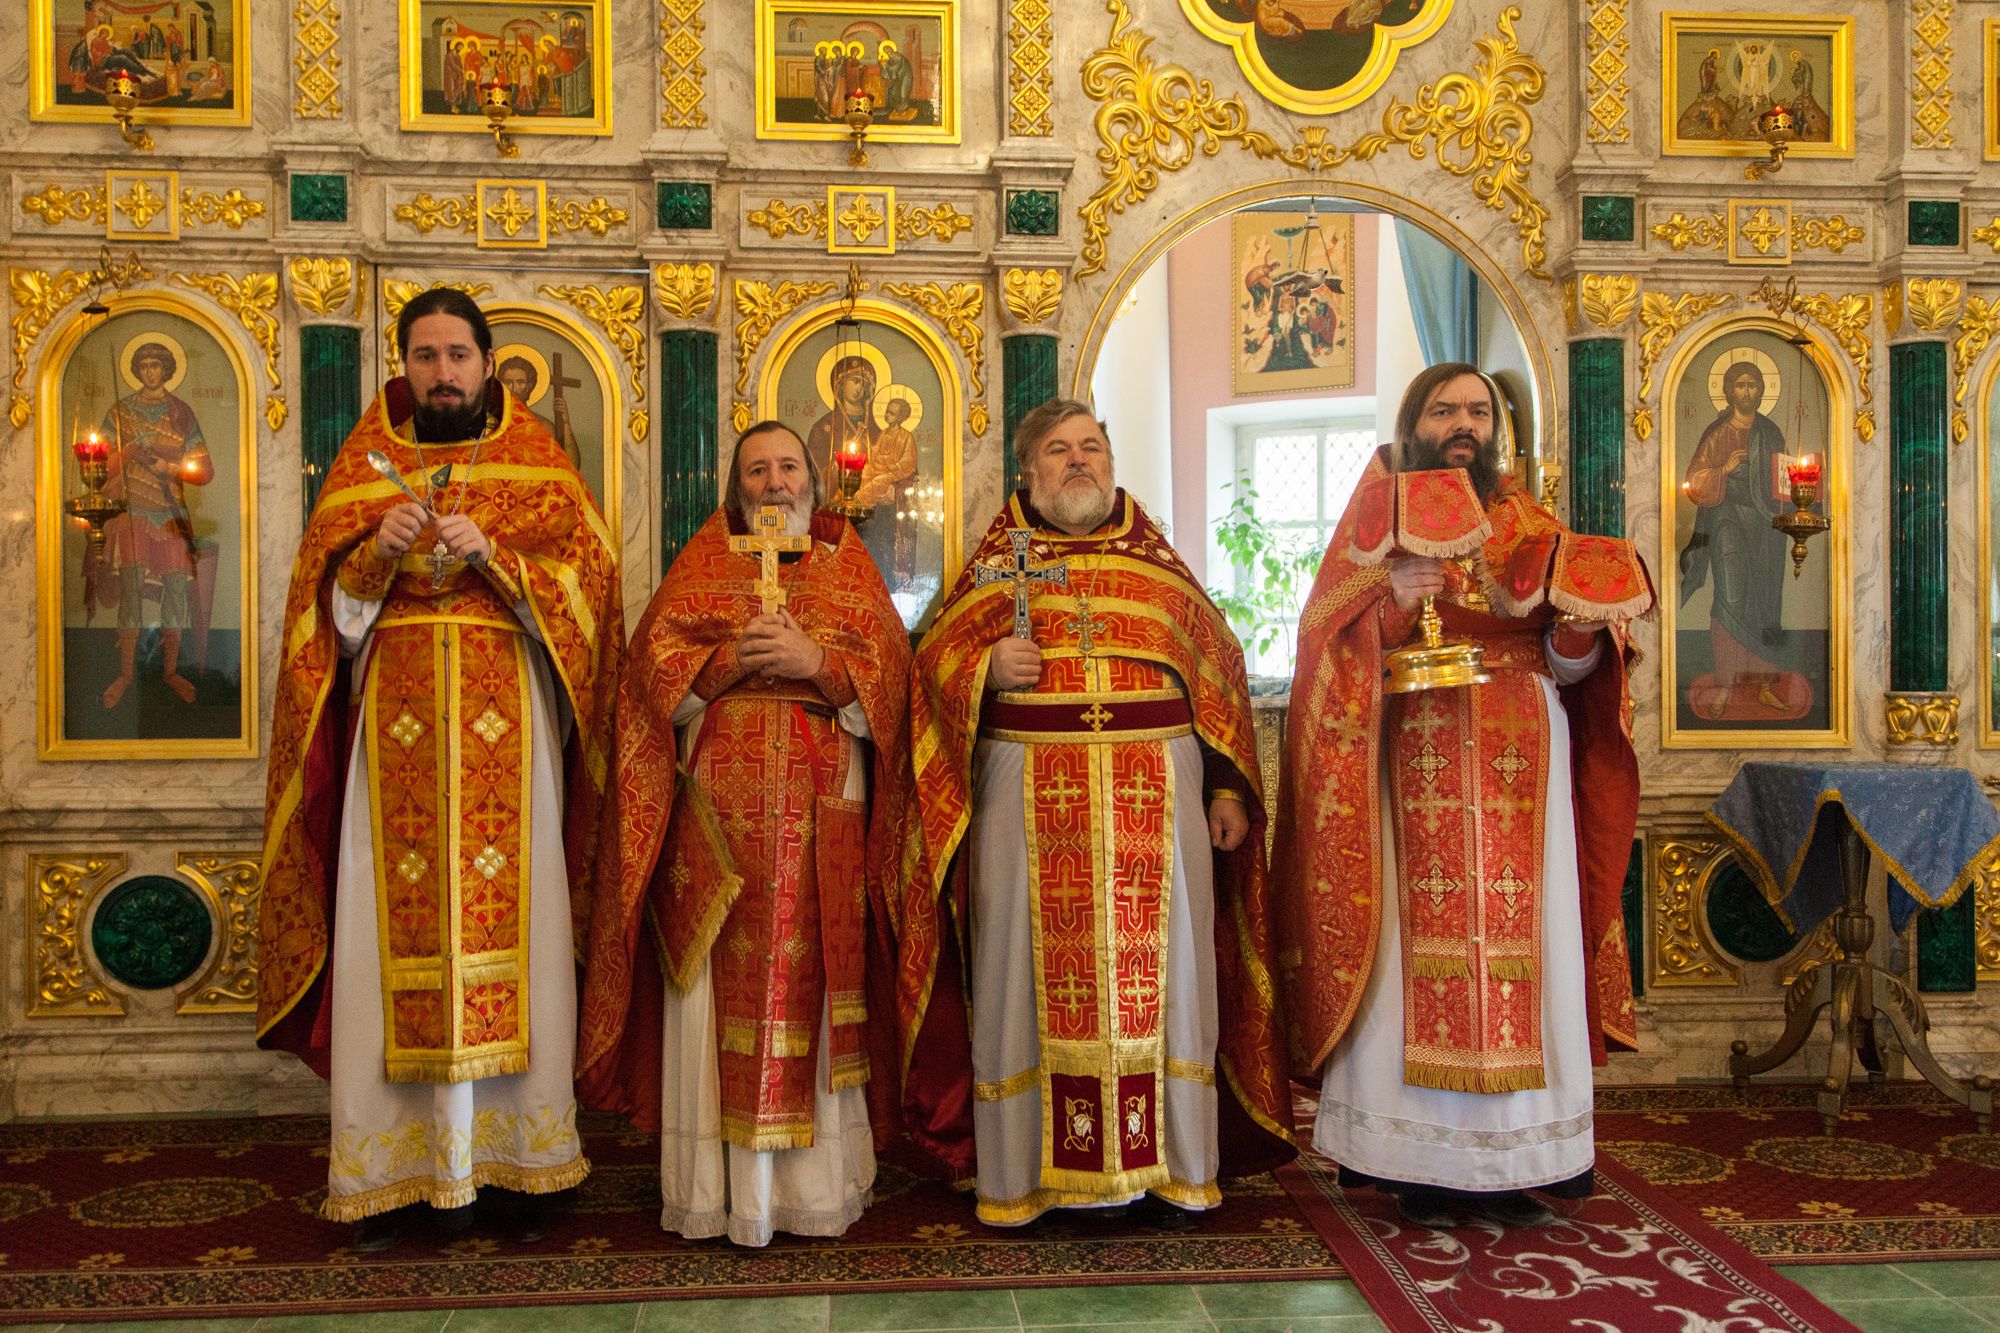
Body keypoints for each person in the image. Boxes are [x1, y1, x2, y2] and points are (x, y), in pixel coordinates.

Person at [255, 289, 622, 1252]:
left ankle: (520, 1166)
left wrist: (500, 557)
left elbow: (591, 597)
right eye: (426, 356)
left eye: (459, 354)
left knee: (524, 933)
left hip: (513, 735)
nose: (443, 372)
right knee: (385, 942)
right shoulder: (362, 470)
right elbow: (324, 631)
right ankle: (392, 1176)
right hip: (394, 741)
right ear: (405, 365)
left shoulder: (538, 461)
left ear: (488, 361)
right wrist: (372, 560)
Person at [898, 398, 1292, 1228]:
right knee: (1020, 974)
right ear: (1027, 471)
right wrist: (984, 667)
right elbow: (930, 672)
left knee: (1171, 975)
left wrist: (1226, 787)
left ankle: (1170, 1167)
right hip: (1024, 806)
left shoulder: (1158, 568)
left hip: (1160, 803)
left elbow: (1218, 671)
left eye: (1090, 447)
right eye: (1057, 448)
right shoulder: (998, 568)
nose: (1077, 460)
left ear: (1110, 462)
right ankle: (1030, 1174)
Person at [1272, 362, 1640, 1230]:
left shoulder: (1532, 523)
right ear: (1415, 422)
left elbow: (1573, 668)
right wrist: (1391, 602)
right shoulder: (1377, 510)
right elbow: (1325, 638)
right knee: (1408, 950)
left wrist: (1582, 631)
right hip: (1413, 753)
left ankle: (1519, 1160)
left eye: (1478, 410)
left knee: (1530, 941)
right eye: (1445, 410)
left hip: (1523, 764)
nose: (1463, 423)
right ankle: (1414, 1161)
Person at [577, 421, 910, 1247]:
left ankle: (809, 1189)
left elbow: (893, 692)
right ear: (735, 487)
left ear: (812, 480)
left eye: (788, 465)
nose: (774, 482)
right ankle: (718, 1191)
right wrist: (728, 659)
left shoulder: (846, 565)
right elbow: (650, 685)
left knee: (818, 982)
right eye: (756, 469)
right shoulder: (703, 564)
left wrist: (817, 663)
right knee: (709, 989)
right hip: (715, 820)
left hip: (823, 806)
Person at [1679, 359, 1802, 720]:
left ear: (1762, 391)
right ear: (1729, 391)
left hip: (1766, 526)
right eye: (1741, 385)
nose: (1747, 392)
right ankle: (1724, 685)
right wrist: (1725, 469)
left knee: (1766, 600)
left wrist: (1800, 497)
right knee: (1730, 597)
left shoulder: (1771, 432)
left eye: (1753, 385)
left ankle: (1764, 686)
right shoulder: (1718, 433)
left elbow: (1786, 478)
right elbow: (1694, 481)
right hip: (1727, 520)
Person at [95, 341, 213, 710]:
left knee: (175, 589)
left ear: (166, 370)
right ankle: (126, 674)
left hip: (170, 516)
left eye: (156, 365)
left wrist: (170, 467)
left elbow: (204, 471)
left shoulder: (181, 413)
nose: (149, 371)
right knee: (131, 588)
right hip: (133, 513)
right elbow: (100, 468)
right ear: (136, 370)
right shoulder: (121, 412)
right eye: (143, 365)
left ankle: (171, 672)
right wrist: (130, 451)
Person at [496, 354, 581, 468]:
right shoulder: (492, 423)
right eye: (508, 382)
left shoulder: (543, 426)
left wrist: (565, 424)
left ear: (529, 386)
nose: (513, 388)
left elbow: (570, 467)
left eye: (520, 382)